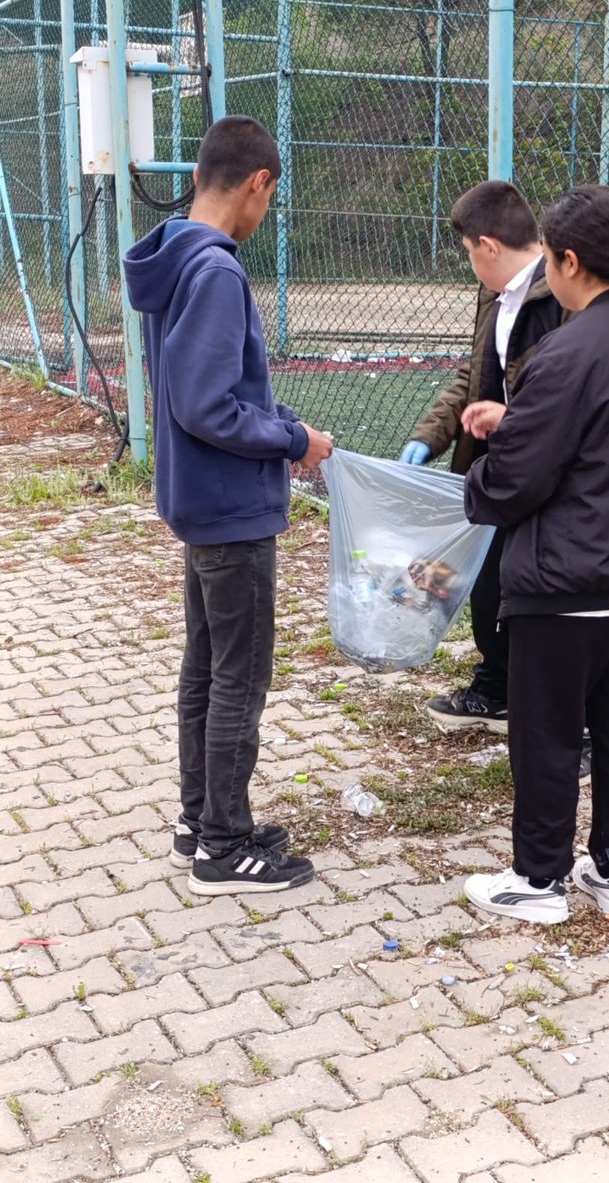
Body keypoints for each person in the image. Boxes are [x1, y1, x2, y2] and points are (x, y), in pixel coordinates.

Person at [460, 185, 609, 925]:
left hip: (575, 584)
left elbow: (509, 488)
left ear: (568, 261)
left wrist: (480, 466)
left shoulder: (567, 351)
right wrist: (522, 419)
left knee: (548, 729)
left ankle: (538, 883)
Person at [124, 116, 334, 897]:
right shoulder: (214, 273)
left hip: (199, 502)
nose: (263, 215)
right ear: (257, 183)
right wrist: (294, 438)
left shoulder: (173, 255)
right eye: (266, 200)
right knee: (238, 676)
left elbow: (188, 396)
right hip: (232, 508)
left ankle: (200, 817)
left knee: (207, 666)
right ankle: (223, 843)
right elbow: (207, 406)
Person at [400, 181, 567, 738]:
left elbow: (564, 402)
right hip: (494, 469)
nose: (471, 265)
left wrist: (510, 417)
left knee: (540, 599)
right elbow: (472, 379)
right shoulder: (495, 294)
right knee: (487, 581)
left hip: (546, 477)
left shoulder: (563, 299)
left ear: (489, 246)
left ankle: (573, 722)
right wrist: (431, 435)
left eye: (470, 253)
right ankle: (497, 688)